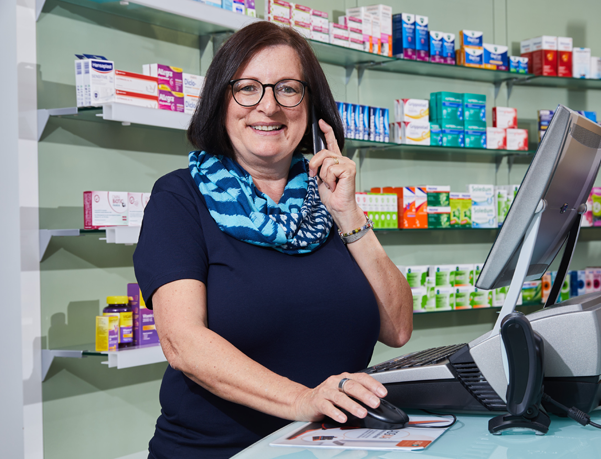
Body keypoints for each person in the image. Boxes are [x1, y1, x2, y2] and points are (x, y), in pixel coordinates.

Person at [133, 21, 413, 459]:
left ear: (310, 106)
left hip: (332, 447)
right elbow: (182, 342)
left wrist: (348, 214)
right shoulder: (180, 197)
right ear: (221, 102)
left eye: (287, 89)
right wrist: (303, 401)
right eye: (247, 88)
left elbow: (397, 328)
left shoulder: (325, 202)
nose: (268, 106)